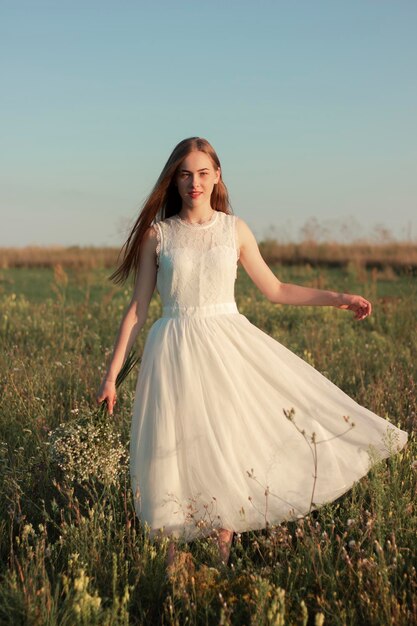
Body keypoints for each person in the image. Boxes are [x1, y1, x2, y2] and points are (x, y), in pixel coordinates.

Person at [96, 137, 408, 571]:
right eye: (185, 174)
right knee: (173, 448)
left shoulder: (234, 229)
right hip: (174, 349)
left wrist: (338, 296)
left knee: (224, 445)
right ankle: (171, 568)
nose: (194, 182)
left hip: (227, 347)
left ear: (217, 175)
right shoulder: (159, 235)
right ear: (175, 179)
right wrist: (111, 377)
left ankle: (221, 564)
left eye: (203, 173)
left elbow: (276, 289)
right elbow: (137, 310)